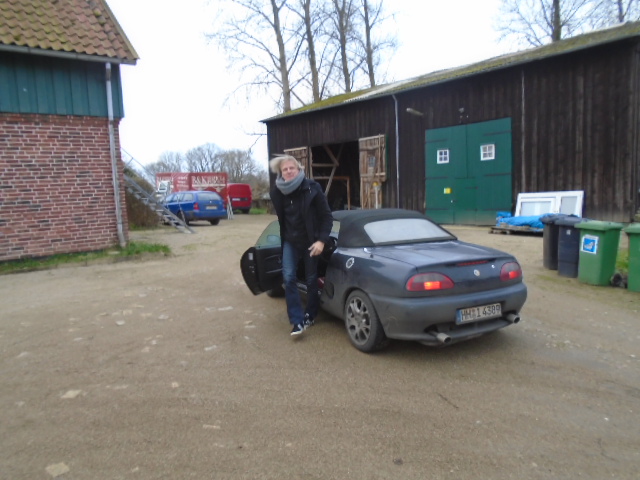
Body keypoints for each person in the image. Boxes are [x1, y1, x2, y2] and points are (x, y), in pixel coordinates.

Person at [269, 154, 333, 336]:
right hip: (290, 241)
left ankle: (310, 315)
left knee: (311, 279)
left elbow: (326, 216)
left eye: (292, 168)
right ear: (280, 173)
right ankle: (297, 321)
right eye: (285, 169)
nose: (289, 171)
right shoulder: (277, 192)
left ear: (298, 169)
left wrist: (321, 240)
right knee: (288, 277)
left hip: (311, 242)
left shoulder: (312, 188)